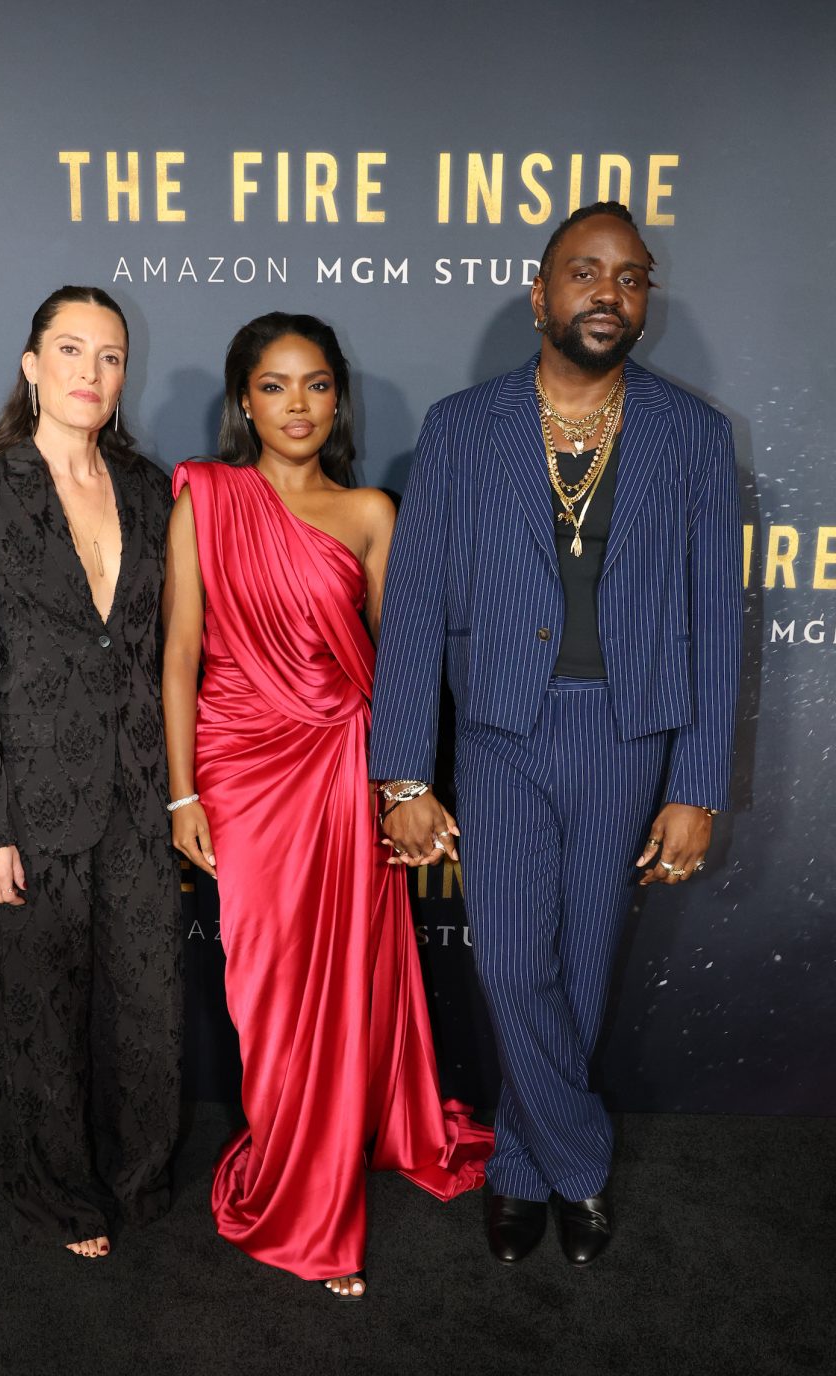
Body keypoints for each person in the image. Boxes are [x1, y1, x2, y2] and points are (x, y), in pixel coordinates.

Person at [370, 203, 743, 1267]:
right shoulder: (460, 427)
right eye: (584, 271)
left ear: (643, 304)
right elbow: (412, 615)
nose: (607, 292)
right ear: (540, 295)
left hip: (627, 739)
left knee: (582, 965)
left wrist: (697, 784)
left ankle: (523, 1170)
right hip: (501, 734)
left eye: (629, 277)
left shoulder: (691, 435)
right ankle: (577, 1163)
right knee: (512, 965)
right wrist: (401, 779)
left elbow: (716, 619)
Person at [161, 312, 490, 1297]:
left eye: (313, 384)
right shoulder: (206, 496)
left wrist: (405, 785)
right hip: (237, 767)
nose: (295, 405)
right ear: (244, 401)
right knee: (266, 990)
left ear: (337, 397)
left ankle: (326, 1186)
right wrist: (181, 792)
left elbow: (396, 670)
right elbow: (179, 653)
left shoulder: (370, 514)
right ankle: (292, 1187)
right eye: (273, 385)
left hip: (343, 766)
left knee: (343, 979)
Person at [0, 285, 182, 1259]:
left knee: (147, 1004)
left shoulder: (156, 493)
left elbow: (173, 651)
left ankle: (140, 1176)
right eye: (69, 350)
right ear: (31, 365)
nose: (90, 371)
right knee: (37, 1013)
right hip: (27, 806)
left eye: (109, 355)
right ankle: (58, 1196)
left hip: (140, 797)